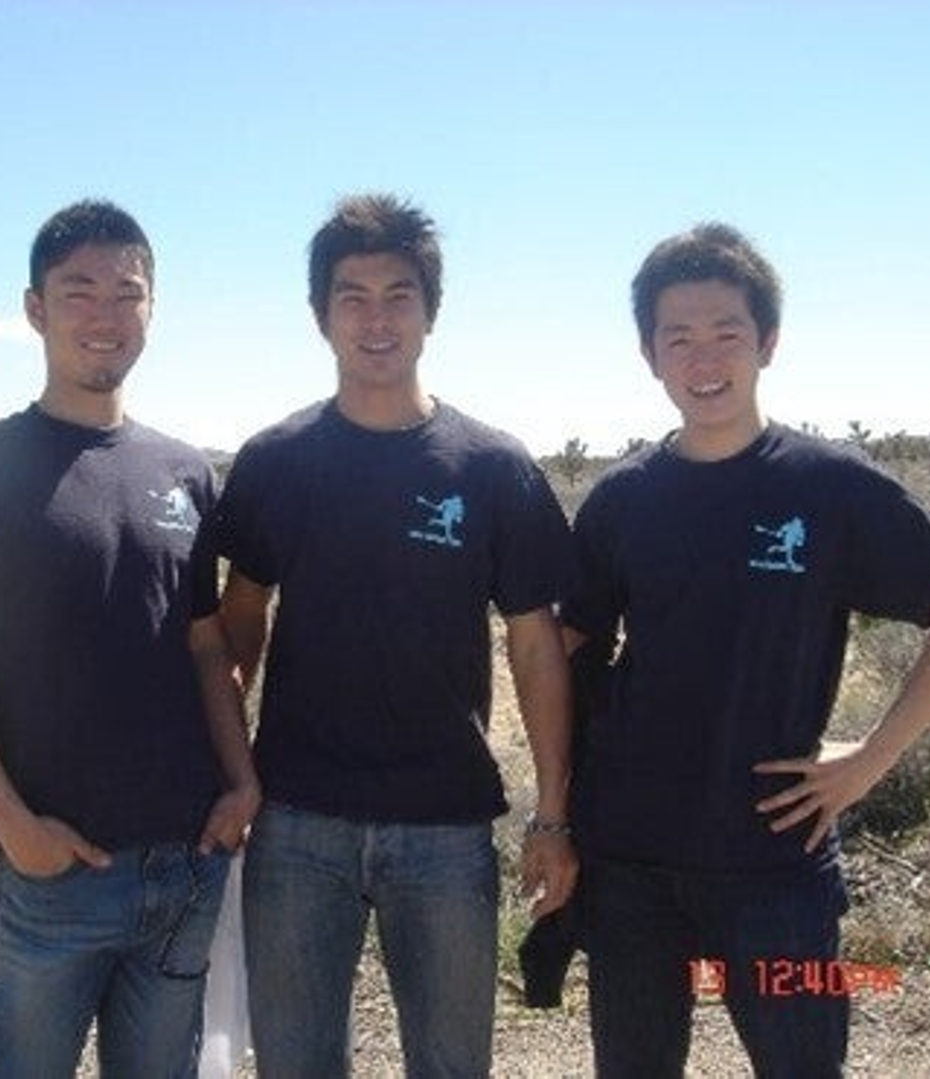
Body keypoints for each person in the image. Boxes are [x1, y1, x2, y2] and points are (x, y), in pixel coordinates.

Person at [561, 222, 930, 1077]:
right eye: (678, 338)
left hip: (775, 859)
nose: (704, 358)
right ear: (650, 354)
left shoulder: (828, 485)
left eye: (726, 332)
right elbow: (571, 646)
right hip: (632, 858)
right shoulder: (622, 499)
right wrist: (561, 810)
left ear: (767, 341)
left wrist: (870, 761)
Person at [209, 193, 578, 1078]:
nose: (376, 319)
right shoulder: (276, 461)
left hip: (445, 824)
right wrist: (229, 770)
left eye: (398, 295)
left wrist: (554, 811)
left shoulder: (493, 468)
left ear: (430, 311)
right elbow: (239, 620)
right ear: (321, 315)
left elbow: (535, 646)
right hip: (297, 818)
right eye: (353, 296)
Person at [0, 199, 258, 1078]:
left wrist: (242, 780)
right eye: (78, 291)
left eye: (127, 292)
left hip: (186, 860)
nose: (105, 314)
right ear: (35, 309)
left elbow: (206, 645)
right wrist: (12, 824)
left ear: (153, 308)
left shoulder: (184, 471)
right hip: (55, 872)